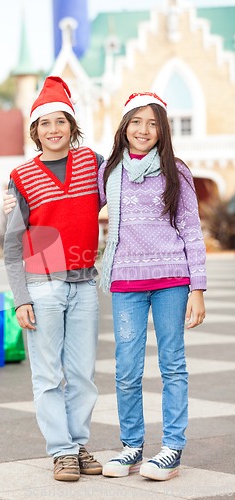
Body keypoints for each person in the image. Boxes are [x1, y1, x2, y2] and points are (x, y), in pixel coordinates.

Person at [99, 92, 206, 481]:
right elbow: (77, 205)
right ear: (124, 125)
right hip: (126, 281)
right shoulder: (109, 171)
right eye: (136, 121)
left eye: (152, 123)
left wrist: (198, 287)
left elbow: (191, 229)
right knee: (126, 368)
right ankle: (131, 447)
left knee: (172, 365)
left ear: (162, 129)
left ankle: (171, 450)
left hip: (172, 281)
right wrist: (19, 204)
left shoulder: (176, 170)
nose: (143, 130)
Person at [3, 76, 104, 482]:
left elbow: (128, 190)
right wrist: (20, 297)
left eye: (61, 121)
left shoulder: (94, 163)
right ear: (35, 131)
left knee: (82, 373)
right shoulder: (22, 176)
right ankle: (61, 451)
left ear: (72, 126)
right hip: (42, 284)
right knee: (47, 374)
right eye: (45, 124)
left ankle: (78, 444)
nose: (54, 129)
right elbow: (12, 244)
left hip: (84, 282)